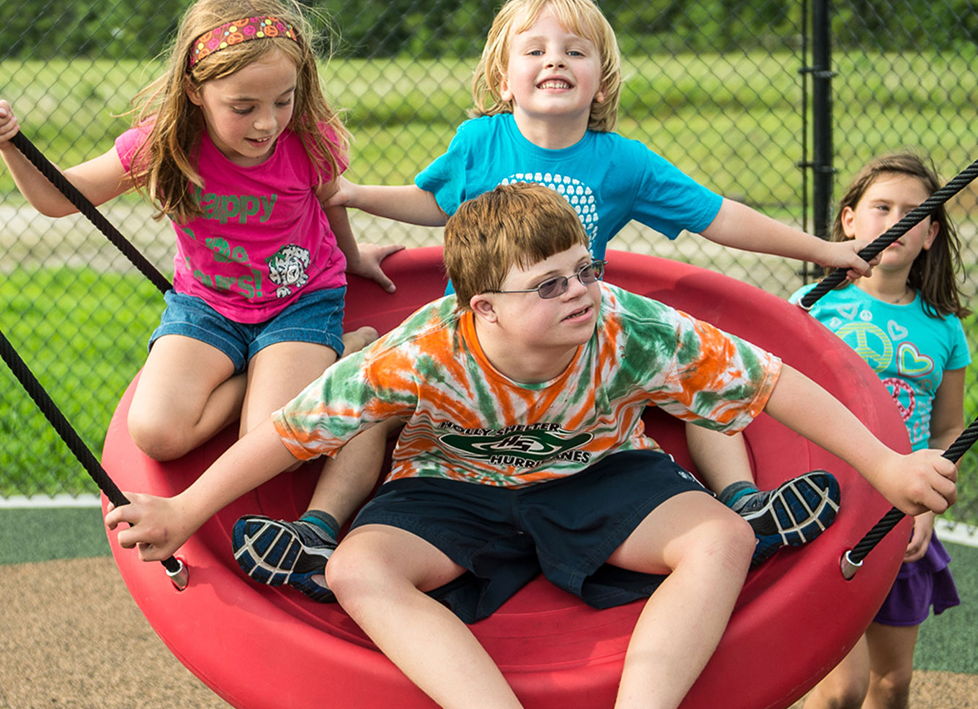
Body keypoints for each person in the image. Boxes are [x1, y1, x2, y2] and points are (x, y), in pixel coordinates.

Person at [106, 182, 957, 709]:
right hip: (451, 480)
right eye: (549, 285)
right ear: (482, 310)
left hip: (599, 468)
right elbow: (286, 431)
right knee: (358, 568)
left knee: (722, 537)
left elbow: (770, 382)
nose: (581, 293)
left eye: (583, 270)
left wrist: (886, 465)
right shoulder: (422, 349)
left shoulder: (625, 325)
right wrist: (184, 511)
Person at [231, 0, 876, 595]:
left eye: (574, 51)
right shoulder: (478, 142)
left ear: (602, 79)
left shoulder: (622, 162)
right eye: (534, 50)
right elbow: (434, 201)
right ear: (504, 77)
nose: (554, 61)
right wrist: (359, 195)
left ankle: (741, 501)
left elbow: (718, 216)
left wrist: (821, 251)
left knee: (685, 373)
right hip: (474, 355)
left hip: (576, 352)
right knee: (375, 404)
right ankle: (318, 529)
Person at [0, 0, 400, 470]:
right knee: (156, 432)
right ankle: (261, 374)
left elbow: (330, 201)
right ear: (195, 90)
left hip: (300, 300)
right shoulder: (166, 144)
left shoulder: (307, 139)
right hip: (208, 306)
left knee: (277, 448)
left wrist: (352, 256)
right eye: (243, 106)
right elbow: (59, 198)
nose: (267, 123)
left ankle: (348, 349)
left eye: (283, 99)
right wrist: (11, 145)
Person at [791, 151, 970, 709]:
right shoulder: (813, 308)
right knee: (842, 689)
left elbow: (947, 428)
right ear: (849, 221)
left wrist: (928, 510)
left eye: (913, 213)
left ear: (931, 234)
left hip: (900, 510)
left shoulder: (943, 327)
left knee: (892, 686)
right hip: (832, 504)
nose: (896, 221)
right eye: (881, 207)